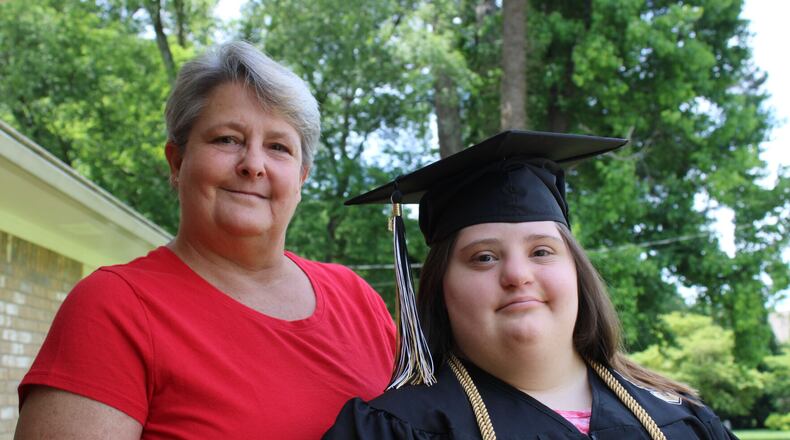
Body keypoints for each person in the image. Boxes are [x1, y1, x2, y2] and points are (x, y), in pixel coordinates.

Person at [15, 41, 395, 439]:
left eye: (278, 147)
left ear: (301, 178)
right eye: (227, 139)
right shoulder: (115, 308)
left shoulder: (357, 300)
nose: (252, 165)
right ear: (177, 163)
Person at [324, 131, 736, 439]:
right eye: (484, 257)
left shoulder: (682, 419)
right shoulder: (395, 431)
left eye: (541, 251)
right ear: (440, 290)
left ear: (577, 272)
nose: (518, 275)